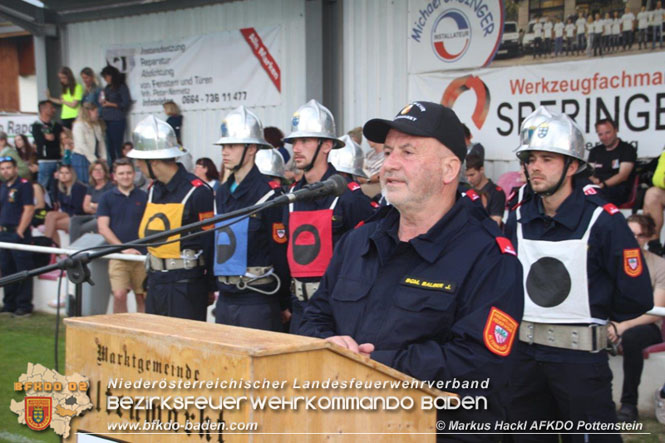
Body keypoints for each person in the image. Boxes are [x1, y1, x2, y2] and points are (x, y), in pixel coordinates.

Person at [299, 101, 524, 434]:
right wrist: (327, 342)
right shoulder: (359, 241)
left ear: (449, 169)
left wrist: (374, 366)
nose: (389, 164)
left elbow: (480, 364)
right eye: (388, 152)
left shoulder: (489, 256)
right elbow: (311, 317)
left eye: (407, 152)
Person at [504, 107, 653, 441]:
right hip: (523, 359)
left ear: (572, 166)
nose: (535, 168)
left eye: (547, 159)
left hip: (579, 363)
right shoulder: (516, 213)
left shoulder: (603, 220)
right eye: (530, 159)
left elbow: (635, 295)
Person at [282, 99, 375, 332]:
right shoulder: (292, 196)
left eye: (305, 140)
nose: (296, 148)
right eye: (294, 141)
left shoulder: (350, 197)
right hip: (299, 308)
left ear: (326, 146)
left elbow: (367, 260)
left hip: (335, 312)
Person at [126, 115, 214, 321]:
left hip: (185, 285)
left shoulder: (198, 192)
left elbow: (209, 242)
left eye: (140, 159)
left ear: (154, 160)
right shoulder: (153, 190)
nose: (137, 164)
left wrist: (210, 286)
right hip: (156, 281)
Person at [212, 106, 290, 331]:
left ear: (252, 149)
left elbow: (279, 252)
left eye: (232, 146)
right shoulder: (223, 191)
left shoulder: (269, 194)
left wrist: (283, 301)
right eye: (224, 146)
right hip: (225, 299)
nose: (225, 151)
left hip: (256, 300)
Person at [608, 214, 665, 422]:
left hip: (645, 324)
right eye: (630, 234)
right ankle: (602, 401)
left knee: (632, 338)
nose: (634, 240)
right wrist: (611, 324)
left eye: (640, 236)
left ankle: (629, 405)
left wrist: (622, 326)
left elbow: (656, 310)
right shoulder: (611, 261)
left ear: (649, 237)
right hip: (613, 321)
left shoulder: (659, 265)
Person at [97, 158, 148, 313]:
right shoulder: (106, 198)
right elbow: (103, 228)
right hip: (117, 255)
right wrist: (123, 249)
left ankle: (143, 331)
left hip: (142, 255)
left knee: (143, 296)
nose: (125, 176)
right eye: (121, 173)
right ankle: (119, 331)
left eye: (128, 173)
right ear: (114, 176)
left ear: (134, 174)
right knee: (119, 295)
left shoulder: (144, 196)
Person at [0, 156, 35, 317]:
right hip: (3, 233)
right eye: (2, 168)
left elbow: (29, 209)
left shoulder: (24, 185)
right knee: (7, 269)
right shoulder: (3, 187)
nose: (5, 171)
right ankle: (9, 304)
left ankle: (24, 305)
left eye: (8, 167)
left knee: (23, 270)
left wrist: (20, 231)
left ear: (15, 169)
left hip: (17, 233)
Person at [587, 118, 636, 206]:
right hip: (597, 188)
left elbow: (623, 176)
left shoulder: (627, 149)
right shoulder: (595, 151)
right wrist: (593, 180)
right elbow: (588, 173)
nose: (605, 137)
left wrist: (603, 185)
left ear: (616, 130)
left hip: (618, 190)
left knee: (595, 197)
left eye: (608, 132)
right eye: (600, 134)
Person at [69, 160, 113, 243]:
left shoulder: (110, 186)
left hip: (103, 217)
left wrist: (92, 205)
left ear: (105, 172)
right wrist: (97, 206)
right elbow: (85, 207)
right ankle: (71, 248)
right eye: (95, 170)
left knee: (81, 228)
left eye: (100, 170)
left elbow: (108, 206)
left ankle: (74, 250)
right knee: (74, 220)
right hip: (92, 215)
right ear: (91, 172)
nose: (98, 172)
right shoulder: (91, 187)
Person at [43, 163, 86, 247]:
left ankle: (46, 246)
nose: (63, 175)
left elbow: (79, 209)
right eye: (61, 173)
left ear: (72, 175)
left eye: (67, 173)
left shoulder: (78, 187)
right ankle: (58, 250)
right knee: (51, 221)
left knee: (51, 217)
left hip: (79, 217)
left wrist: (64, 214)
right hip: (68, 215)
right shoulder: (61, 187)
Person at [100, 65, 131, 164]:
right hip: (106, 120)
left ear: (111, 75)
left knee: (117, 145)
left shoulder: (121, 87)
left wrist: (111, 104)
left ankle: (120, 164)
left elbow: (126, 103)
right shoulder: (107, 88)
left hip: (117, 119)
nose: (105, 79)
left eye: (106, 77)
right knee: (109, 147)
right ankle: (112, 167)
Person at [464, 153, 506, 226]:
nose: (469, 179)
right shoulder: (468, 191)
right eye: (466, 176)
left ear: (481, 169)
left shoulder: (496, 192)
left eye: (472, 175)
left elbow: (495, 223)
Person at [32, 100, 63, 190]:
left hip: (58, 159)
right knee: (42, 187)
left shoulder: (56, 125)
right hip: (45, 160)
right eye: (51, 108)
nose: (54, 110)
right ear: (44, 109)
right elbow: (39, 140)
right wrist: (45, 137)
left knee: (58, 187)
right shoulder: (36, 126)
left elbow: (58, 138)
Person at [72, 102, 107, 183]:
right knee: (85, 181)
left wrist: (103, 157)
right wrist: (94, 160)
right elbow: (82, 144)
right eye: (96, 112)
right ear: (89, 112)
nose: (97, 114)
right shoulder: (79, 125)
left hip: (95, 156)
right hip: (82, 157)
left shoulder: (96, 125)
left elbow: (101, 141)